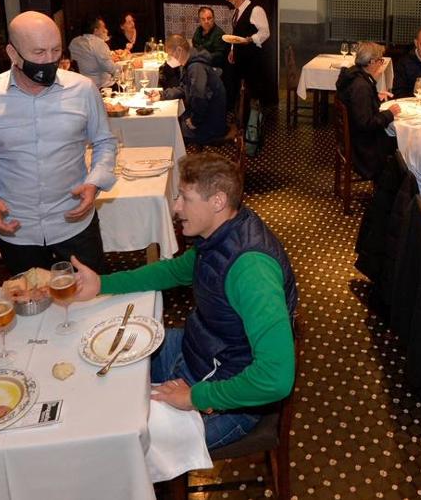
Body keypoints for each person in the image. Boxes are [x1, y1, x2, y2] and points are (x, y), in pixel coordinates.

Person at [69, 153, 297, 449]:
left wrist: (194, 397)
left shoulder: (251, 270)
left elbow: (275, 379)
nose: (175, 207)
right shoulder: (220, 233)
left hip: (229, 395)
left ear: (217, 201)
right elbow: (173, 271)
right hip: (198, 350)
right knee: (99, 366)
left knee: (123, 444)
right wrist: (102, 283)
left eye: (184, 198)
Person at [0, 11, 117, 275]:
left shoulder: (83, 90)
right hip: (18, 230)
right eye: (39, 53)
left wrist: (94, 181)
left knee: (91, 299)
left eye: (55, 50)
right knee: (31, 303)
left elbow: (104, 142)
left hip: (74, 222)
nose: (50, 60)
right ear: (12, 53)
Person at [336, 41, 401, 180]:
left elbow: (357, 106)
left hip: (356, 139)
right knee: (401, 145)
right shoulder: (361, 86)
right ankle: (389, 188)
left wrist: (374, 97)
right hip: (364, 149)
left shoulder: (354, 75)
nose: (380, 64)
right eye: (380, 60)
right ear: (371, 62)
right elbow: (366, 123)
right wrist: (390, 113)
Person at [153, 34, 228, 144]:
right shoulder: (190, 62)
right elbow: (184, 88)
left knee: (171, 129)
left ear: (179, 50)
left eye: (170, 55)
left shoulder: (196, 67)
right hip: (208, 116)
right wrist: (162, 95)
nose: (169, 59)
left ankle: (180, 159)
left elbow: (199, 98)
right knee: (175, 121)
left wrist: (194, 121)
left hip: (211, 123)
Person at [223, 0, 271, 108]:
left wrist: (251, 39)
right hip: (240, 57)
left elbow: (265, 32)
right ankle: (240, 118)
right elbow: (236, 34)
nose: (227, 1)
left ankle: (252, 122)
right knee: (238, 88)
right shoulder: (236, 11)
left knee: (252, 90)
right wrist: (232, 50)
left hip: (252, 58)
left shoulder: (256, 10)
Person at [68, 15, 121, 90]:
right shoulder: (98, 43)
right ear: (96, 31)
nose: (106, 30)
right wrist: (130, 66)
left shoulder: (74, 42)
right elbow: (111, 69)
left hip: (83, 87)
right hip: (103, 87)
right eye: (103, 28)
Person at [191, 6, 229, 72]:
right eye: (203, 19)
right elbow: (195, 45)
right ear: (200, 20)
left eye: (209, 18)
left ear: (213, 18)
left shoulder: (219, 34)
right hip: (200, 64)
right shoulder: (199, 30)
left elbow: (219, 55)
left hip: (215, 67)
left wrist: (201, 57)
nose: (206, 21)